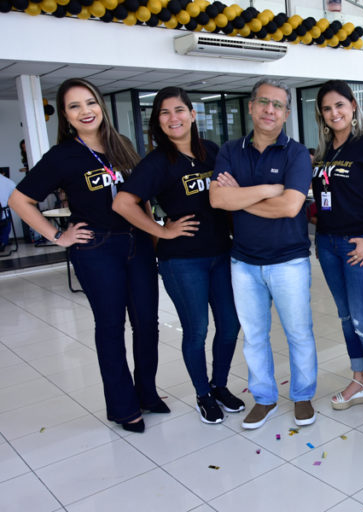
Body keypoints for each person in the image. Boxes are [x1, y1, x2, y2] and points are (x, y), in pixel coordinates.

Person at [9, 78, 165, 433]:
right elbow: (19, 200)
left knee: (147, 324)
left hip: (138, 243)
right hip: (97, 249)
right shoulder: (62, 156)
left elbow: (140, 195)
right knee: (110, 327)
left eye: (90, 102)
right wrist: (57, 236)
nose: (85, 111)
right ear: (65, 116)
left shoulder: (122, 145)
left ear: (100, 105)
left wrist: (155, 231)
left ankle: (147, 393)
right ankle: (124, 407)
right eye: (74, 106)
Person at [113, 87, 244, 425]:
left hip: (221, 254)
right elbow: (123, 203)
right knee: (197, 330)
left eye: (179, 110)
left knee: (230, 325)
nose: (174, 118)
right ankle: (203, 394)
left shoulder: (211, 151)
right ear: (158, 121)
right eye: (165, 113)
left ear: (192, 114)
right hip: (183, 261)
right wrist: (162, 231)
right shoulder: (158, 162)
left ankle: (219, 386)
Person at [209, 78, 317, 430]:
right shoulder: (230, 151)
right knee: (254, 337)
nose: (270, 110)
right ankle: (265, 398)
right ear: (252, 106)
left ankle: (302, 395)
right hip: (243, 263)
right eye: (264, 102)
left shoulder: (296, 153)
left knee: (298, 333)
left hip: (289, 262)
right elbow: (217, 199)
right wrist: (269, 189)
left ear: (286, 113)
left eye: (278, 105)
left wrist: (241, 196)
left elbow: (289, 207)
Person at [312, 80, 363, 421]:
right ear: (321, 114)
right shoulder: (325, 151)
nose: (334, 113)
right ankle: (360, 379)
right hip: (328, 243)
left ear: (353, 106)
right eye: (327, 108)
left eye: (339, 105)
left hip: (359, 243)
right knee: (346, 317)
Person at [0, 169, 15, 251]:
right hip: (2, 215)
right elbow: (15, 198)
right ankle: (3, 242)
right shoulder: (9, 182)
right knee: (6, 222)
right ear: (3, 173)